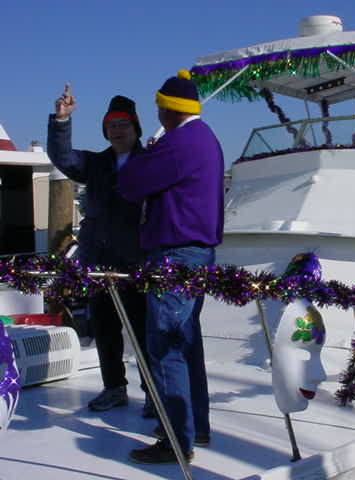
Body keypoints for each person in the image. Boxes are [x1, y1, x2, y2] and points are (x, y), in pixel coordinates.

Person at [118, 70, 224, 464]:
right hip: (196, 253)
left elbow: (130, 185)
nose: (158, 114)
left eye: (160, 107)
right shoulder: (205, 138)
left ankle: (176, 440)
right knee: (187, 342)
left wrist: (143, 154)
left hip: (174, 254)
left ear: (168, 110)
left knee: (165, 346)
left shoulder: (178, 143)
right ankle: (197, 426)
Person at [47, 86, 152, 415]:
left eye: (123, 124)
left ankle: (153, 393)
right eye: (111, 125)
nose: (117, 130)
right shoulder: (94, 163)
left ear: (136, 128)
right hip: (98, 263)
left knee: (144, 331)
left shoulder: (151, 162)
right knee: (105, 330)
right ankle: (114, 388)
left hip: (136, 264)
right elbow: (63, 157)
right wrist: (62, 120)